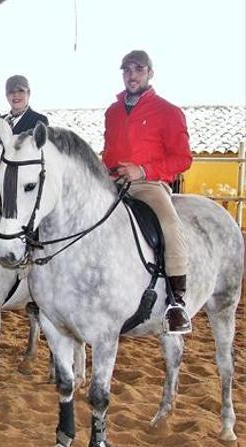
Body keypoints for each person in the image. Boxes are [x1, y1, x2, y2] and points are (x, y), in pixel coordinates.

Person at [102, 49, 192, 334]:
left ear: (150, 73)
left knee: (168, 225)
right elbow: (108, 153)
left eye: (138, 69)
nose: (132, 75)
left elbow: (183, 159)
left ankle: (176, 303)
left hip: (147, 184)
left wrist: (143, 170)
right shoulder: (112, 112)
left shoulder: (168, 111)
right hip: (113, 183)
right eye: (127, 70)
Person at [0, 75, 49, 171]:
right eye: (11, 92)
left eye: (20, 90)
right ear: (6, 95)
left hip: (15, 181)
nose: (15, 95)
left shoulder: (39, 121)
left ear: (29, 93)